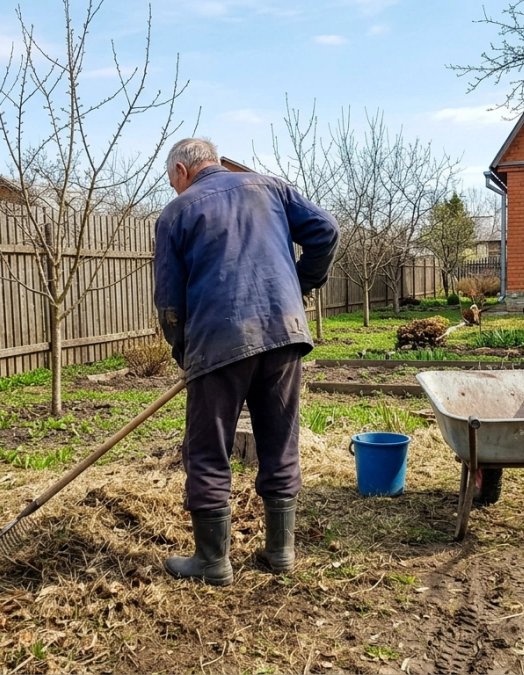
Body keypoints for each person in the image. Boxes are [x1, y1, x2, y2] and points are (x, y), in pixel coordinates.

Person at [154, 138, 339, 586]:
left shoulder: (176, 213)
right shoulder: (270, 187)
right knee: (279, 440)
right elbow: (326, 230)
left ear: (182, 170)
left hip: (217, 339)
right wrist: (301, 283)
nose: (174, 187)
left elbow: (169, 302)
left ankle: (213, 562)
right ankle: (280, 553)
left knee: (207, 449)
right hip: (285, 332)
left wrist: (184, 351)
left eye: (171, 180)